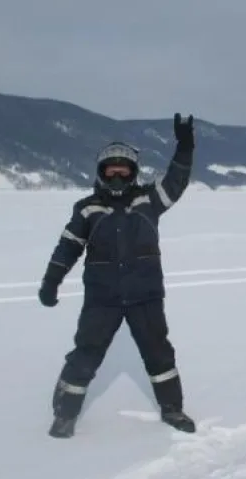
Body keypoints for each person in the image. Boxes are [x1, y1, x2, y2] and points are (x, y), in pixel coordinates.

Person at [37, 113, 196, 438]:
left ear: (134, 173)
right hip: (102, 299)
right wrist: (51, 281)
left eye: (124, 169)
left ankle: (173, 409)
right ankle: (65, 414)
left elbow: (176, 181)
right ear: (101, 173)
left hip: (146, 296)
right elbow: (67, 247)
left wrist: (185, 145)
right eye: (112, 169)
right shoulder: (87, 208)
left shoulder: (149, 201)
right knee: (86, 354)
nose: (118, 175)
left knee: (158, 353)